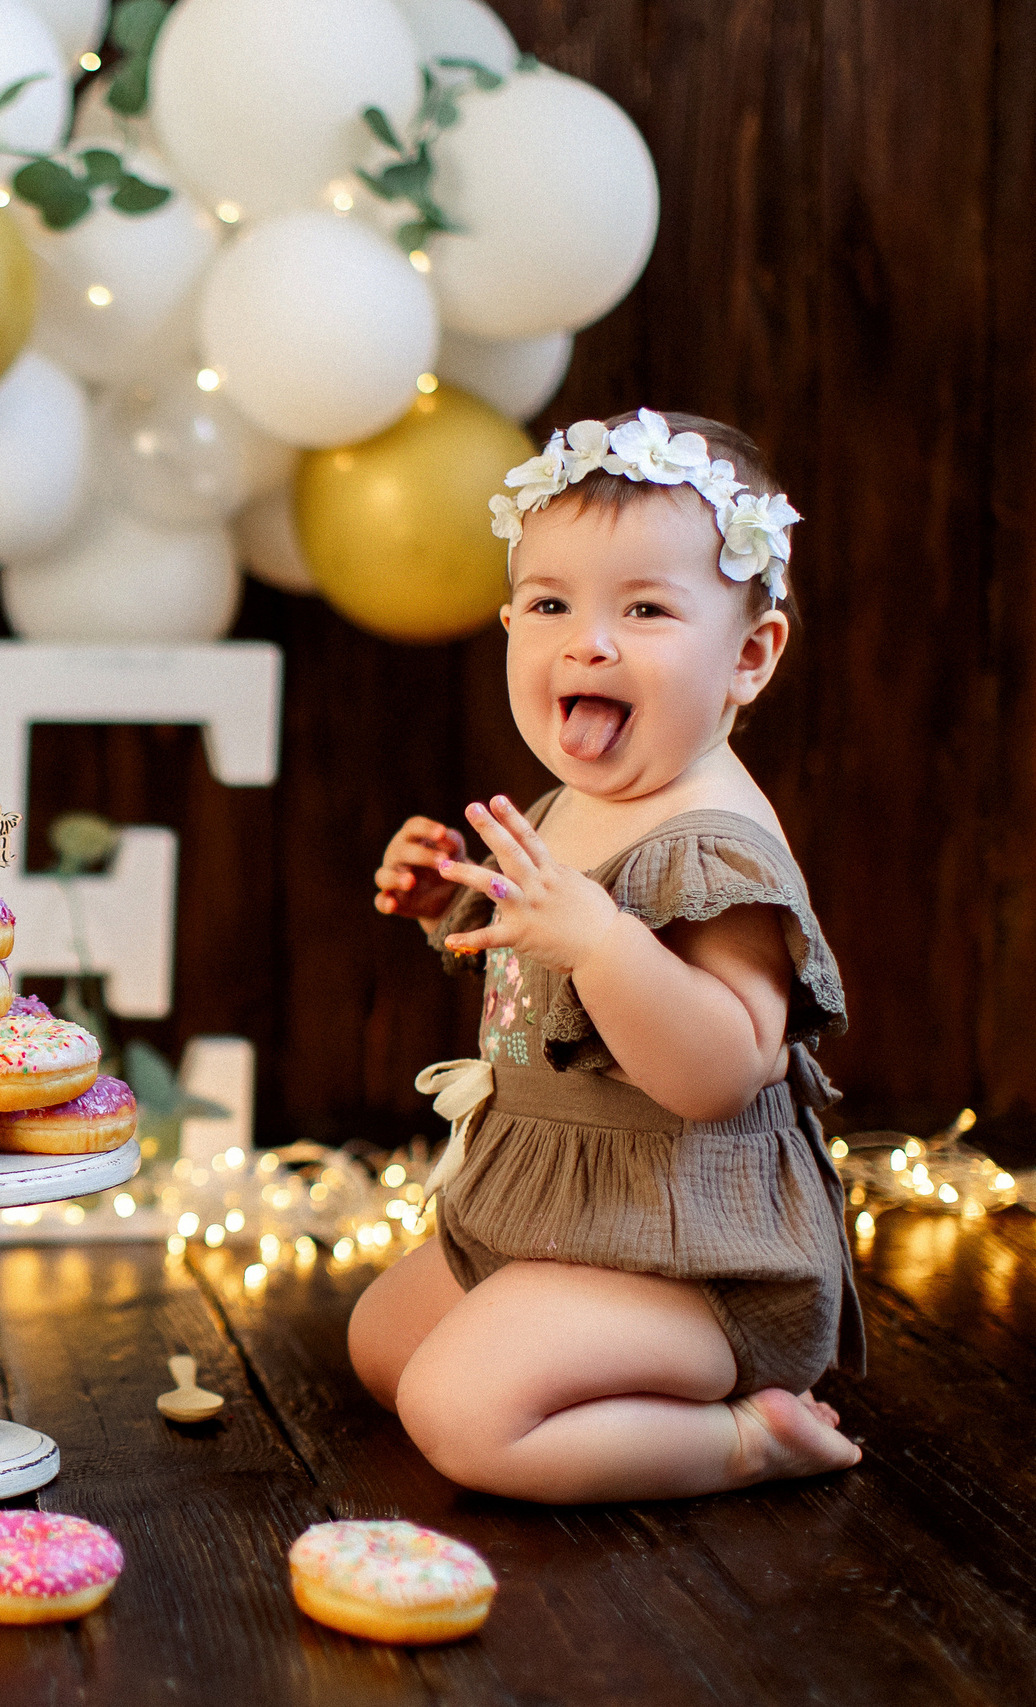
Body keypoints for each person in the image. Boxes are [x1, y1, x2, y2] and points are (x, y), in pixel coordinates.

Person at [350, 408, 863, 1504]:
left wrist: (602, 942)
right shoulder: (581, 798)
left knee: (461, 1413)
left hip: (690, 1257)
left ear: (749, 657)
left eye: (644, 608)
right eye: (550, 605)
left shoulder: (713, 845)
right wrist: (453, 901)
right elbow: (540, 971)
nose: (588, 641)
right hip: (558, 1212)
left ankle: (744, 1437)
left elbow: (720, 1070)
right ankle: (585, 1369)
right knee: (383, 1348)